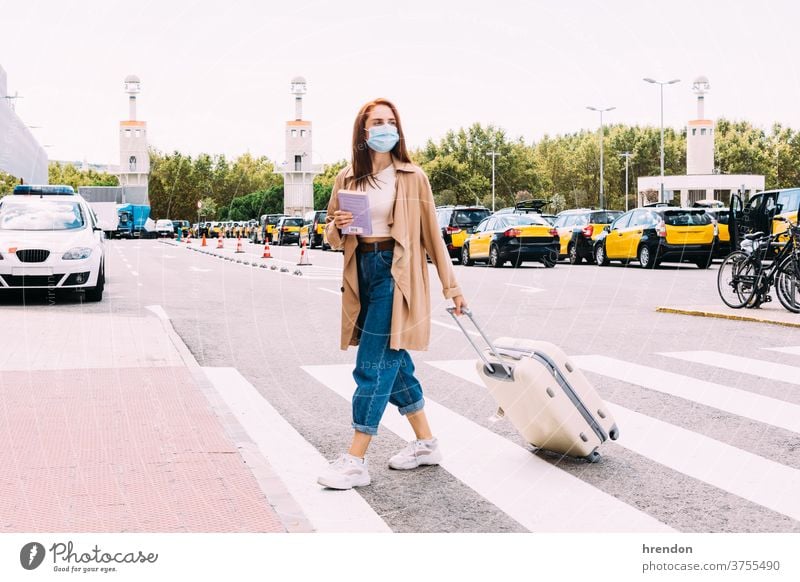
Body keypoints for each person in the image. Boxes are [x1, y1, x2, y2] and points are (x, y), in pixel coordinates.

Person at [317, 98, 467, 490]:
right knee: (394, 361)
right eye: (376, 122)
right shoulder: (346, 177)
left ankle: (355, 460)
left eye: (390, 121)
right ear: (363, 132)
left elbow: (433, 235)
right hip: (361, 271)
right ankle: (426, 444)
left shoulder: (413, 176)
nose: (385, 127)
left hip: (395, 273)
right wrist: (340, 225)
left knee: (373, 363)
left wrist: (453, 288)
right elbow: (332, 235)